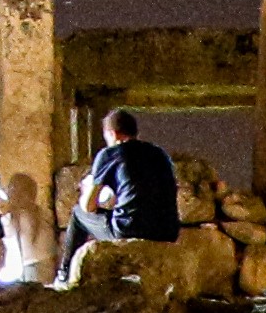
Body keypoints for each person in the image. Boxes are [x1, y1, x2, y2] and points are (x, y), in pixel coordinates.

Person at [63, 109, 183, 278]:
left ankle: (64, 273)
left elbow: (89, 207)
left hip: (129, 229)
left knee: (77, 214)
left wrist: (87, 189)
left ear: (112, 134)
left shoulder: (110, 154)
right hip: (167, 231)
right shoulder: (159, 154)